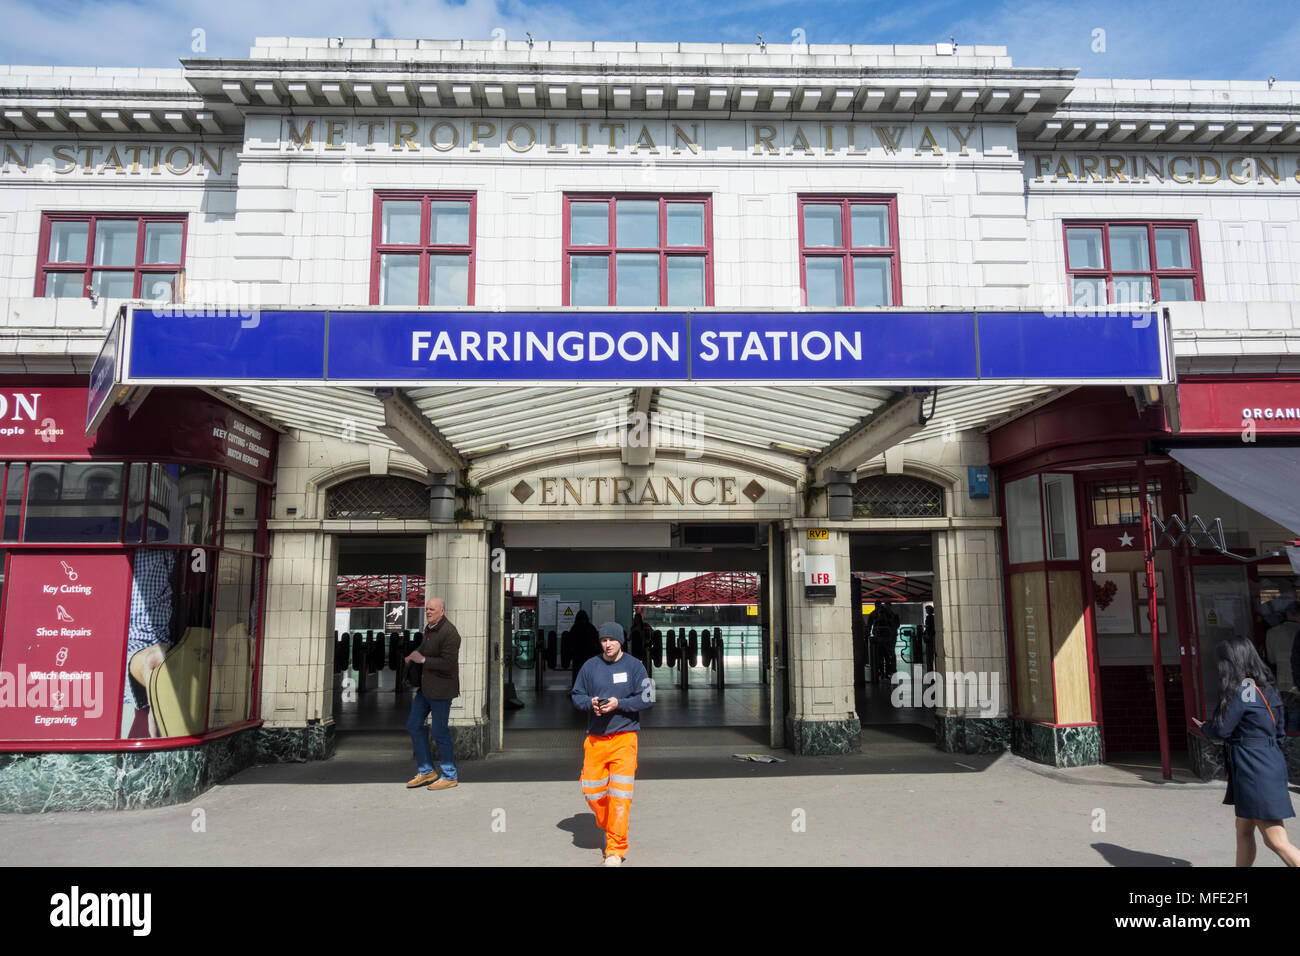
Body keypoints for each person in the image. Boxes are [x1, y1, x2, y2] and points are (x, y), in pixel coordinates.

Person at [1192, 637, 1299, 867]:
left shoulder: (1241, 691)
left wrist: (1205, 727)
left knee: (1275, 840)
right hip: (1269, 761)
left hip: (1252, 768)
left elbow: (1222, 729)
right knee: (1243, 828)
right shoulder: (1267, 689)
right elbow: (1279, 731)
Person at [571, 621, 653, 866]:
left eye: (612, 640)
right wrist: (591, 703)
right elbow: (576, 695)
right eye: (604, 640)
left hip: (625, 739)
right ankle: (610, 824)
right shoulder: (589, 666)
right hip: (595, 739)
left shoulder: (635, 666)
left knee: (620, 796)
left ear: (621, 642)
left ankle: (615, 849)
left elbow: (648, 698)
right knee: (592, 792)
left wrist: (620, 704)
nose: (607, 644)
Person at [402, 597, 461, 791]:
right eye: (427, 609)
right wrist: (413, 654)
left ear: (442, 611)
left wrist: (423, 660)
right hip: (426, 689)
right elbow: (423, 648)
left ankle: (449, 775)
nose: (428, 612)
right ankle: (427, 770)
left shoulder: (450, 633)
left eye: (432, 609)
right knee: (413, 725)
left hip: (442, 690)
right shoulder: (429, 629)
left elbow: (448, 664)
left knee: (439, 731)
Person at [923, 606, 937, 675]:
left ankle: (929, 671)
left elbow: (928, 627)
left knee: (929, 655)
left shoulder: (929, 617)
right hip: (932, 637)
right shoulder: (934, 617)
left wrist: (927, 634)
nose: (926, 611)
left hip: (929, 638)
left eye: (927, 609)